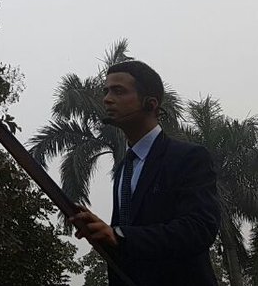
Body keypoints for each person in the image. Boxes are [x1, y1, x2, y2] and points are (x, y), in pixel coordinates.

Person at [69, 60, 220, 286]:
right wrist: (104, 234)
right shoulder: (124, 169)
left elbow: (199, 229)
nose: (107, 99)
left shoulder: (188, 157)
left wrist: (120, 236)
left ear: (151, 103)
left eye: (119, 91)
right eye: (106, 91)